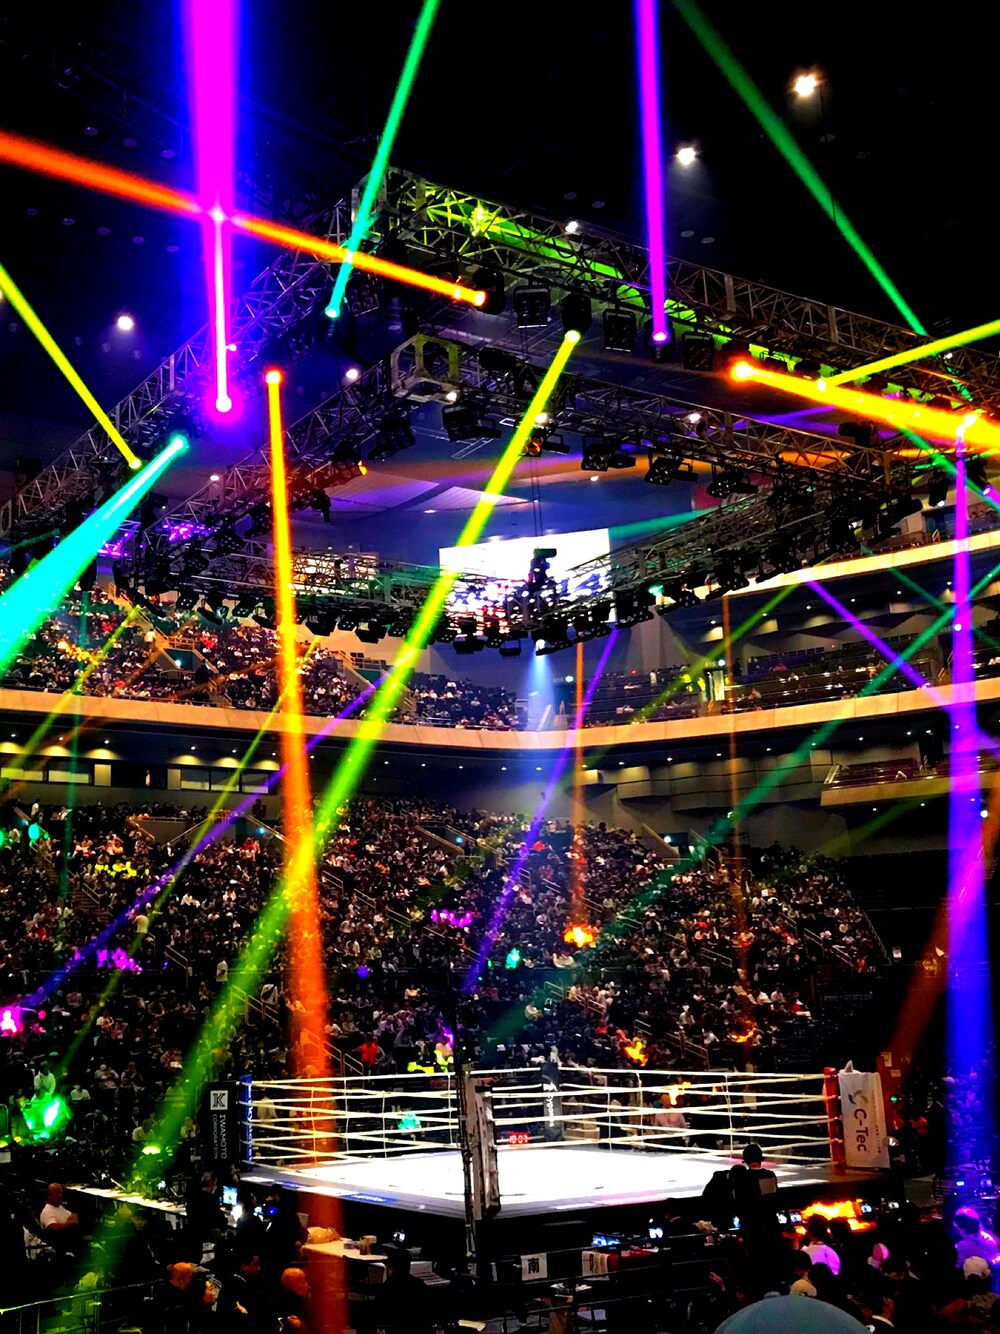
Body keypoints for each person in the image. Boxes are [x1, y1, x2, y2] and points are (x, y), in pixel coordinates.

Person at [953, 1205, 1000, 1271]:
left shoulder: (963, 1245)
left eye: (957, 1227)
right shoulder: (988, 1237)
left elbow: (958, 1266)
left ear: (961, 1228)